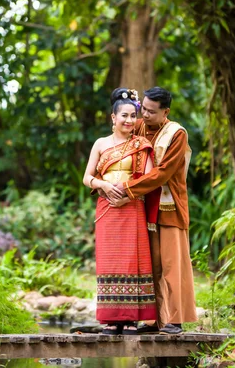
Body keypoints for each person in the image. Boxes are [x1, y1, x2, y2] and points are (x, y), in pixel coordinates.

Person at [111, 86, 197, 335]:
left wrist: (127, 188)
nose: (144, 115)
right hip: (143, 205)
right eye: (143, 109)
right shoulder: (138, 126)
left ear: (165, 111)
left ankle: (175, 319)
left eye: (150, 111)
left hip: (169, 206)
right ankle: (152, 320)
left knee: (172, 265)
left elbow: (162, 174)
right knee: (150, 266)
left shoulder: (177, 133)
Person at [83, 88, 157, 335]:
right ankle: (112, 320)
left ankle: (131, 319)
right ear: (112, 118)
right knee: (109, 261)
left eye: (132, 116)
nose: (128, 120)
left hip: (132, 206)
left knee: (132, 261)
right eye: (123, 115)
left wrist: (126, 198)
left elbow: (148, 178)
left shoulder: (141, 145)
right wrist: (102, 184)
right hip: (107, 209)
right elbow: (87, 177)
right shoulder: (101, 144)